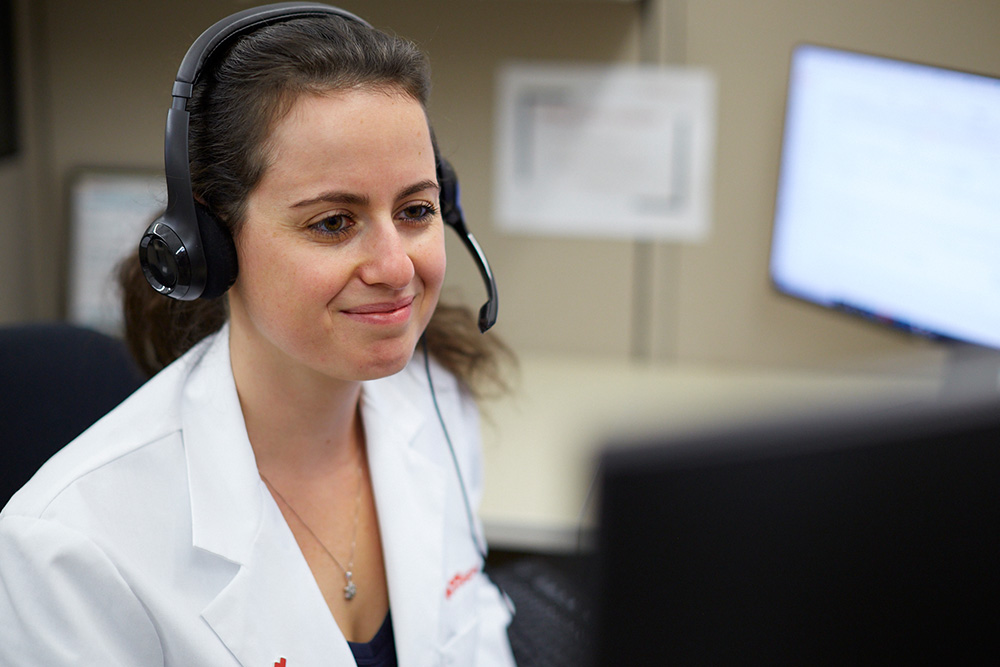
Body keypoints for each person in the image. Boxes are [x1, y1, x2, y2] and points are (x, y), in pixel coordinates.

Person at [0, 4, 516, 665]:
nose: (396, 267)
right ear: (211, 244)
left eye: (416, 210)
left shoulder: (438, 403)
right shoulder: (70, 547)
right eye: (333, 222)